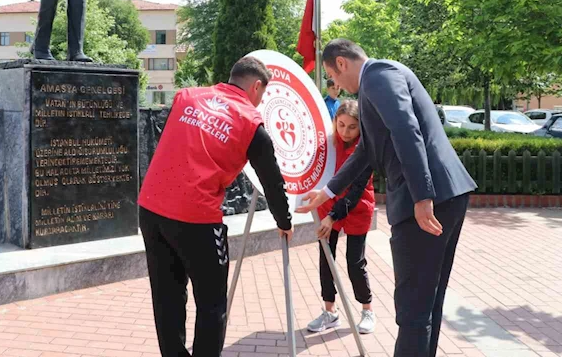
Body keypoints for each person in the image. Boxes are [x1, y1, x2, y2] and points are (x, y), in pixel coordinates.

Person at [298, 39, 477, 357]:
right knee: (426, 301)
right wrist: (327, 191)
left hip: (424, 202)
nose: (336, 85)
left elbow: (407, 131)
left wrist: (422, 197)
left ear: (341, 62)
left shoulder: (377, 76)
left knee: (412, 306)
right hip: (446, 195)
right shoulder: (378, 81)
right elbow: (367, 150)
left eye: (333, 76)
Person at [138, 56, 293, 357]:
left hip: (152, 208)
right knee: (212, 304)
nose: (259, 103)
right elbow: (271, 182)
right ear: (256, 86)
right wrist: (284, 221)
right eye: (261, 96)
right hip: (197, 218)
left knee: (167, 297)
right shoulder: (252, 124)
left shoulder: (187, 97)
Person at [307, 99, 377, 335]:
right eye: (341, 124)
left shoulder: (366, 149)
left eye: (352, 127)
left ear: (361, 127)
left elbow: (356, 190)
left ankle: (367, 309)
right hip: (328, 207)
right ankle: (330, 311)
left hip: (356, 208)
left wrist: (333, 217)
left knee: (355, 263)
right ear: (335, 121)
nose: (345, 132)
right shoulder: (327, 144)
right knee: (326, 258)